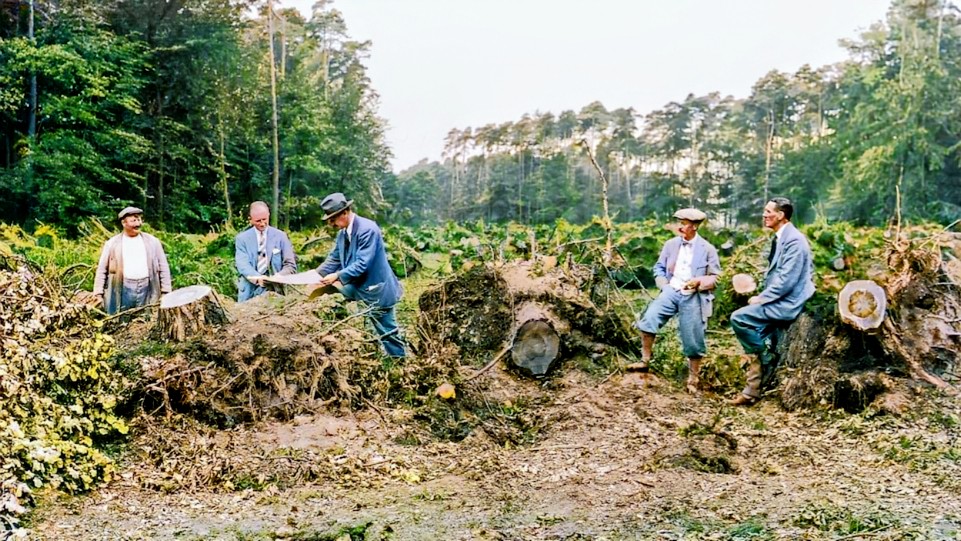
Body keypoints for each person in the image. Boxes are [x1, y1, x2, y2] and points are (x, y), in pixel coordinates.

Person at [729, 197, 815, 406]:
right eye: (765, 211)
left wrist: (762, 298)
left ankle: (766, 359)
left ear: (781, 215)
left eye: (769, 211)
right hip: (781, 297)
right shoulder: (781, 237)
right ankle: (753, 387)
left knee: (739, 319)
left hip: (788, 302)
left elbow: (786, 280)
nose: (764, 215)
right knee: (757, 335)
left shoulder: (794, 240)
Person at [627, 208, 720, 393]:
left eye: (683, 223)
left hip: (693, 296)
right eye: (678, 222)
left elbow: (716, 277)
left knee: (693, 337)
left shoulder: (708, 249)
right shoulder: (670, 245)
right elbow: (659, 267)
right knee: (649, 318)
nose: (679, 226)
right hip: (671, 290)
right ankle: (644, 361)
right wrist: (664, 285)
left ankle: (693, 378)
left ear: (694, 226)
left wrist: (698, 282)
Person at [314, 192, 406, 358]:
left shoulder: (367, 229)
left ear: (345, 213)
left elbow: (362, 264)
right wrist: (314, 275)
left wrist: (336, 276)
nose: (331, 223)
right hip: (357, 285)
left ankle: (399, 363)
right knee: (329, 292)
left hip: (376, 288)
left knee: (387, 331)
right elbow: (333, 259)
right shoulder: (343, 234)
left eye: (333, 219)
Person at [93, 206, 172, 315]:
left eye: (139, 220)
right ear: (124, 223)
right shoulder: (112, 244)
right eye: (134, 220)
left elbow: (163, 266)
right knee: (121, 321)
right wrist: (98, 293)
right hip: (122, 289)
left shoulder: (153, 242)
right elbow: (102, 269)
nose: (138, 223)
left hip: (147, 288)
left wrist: (166, 290)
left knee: (146, 322)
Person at [235, 201, 297, 301]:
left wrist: (279, 276)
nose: (263, 224)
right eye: (258, 221)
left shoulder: (281, 236)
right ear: (250, 220)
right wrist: (258, 278)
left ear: (268, 215)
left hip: (276, 292)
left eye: (265, 219)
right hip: (249, 292)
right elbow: (242, 264)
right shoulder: (242, 239)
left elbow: (290, 265)